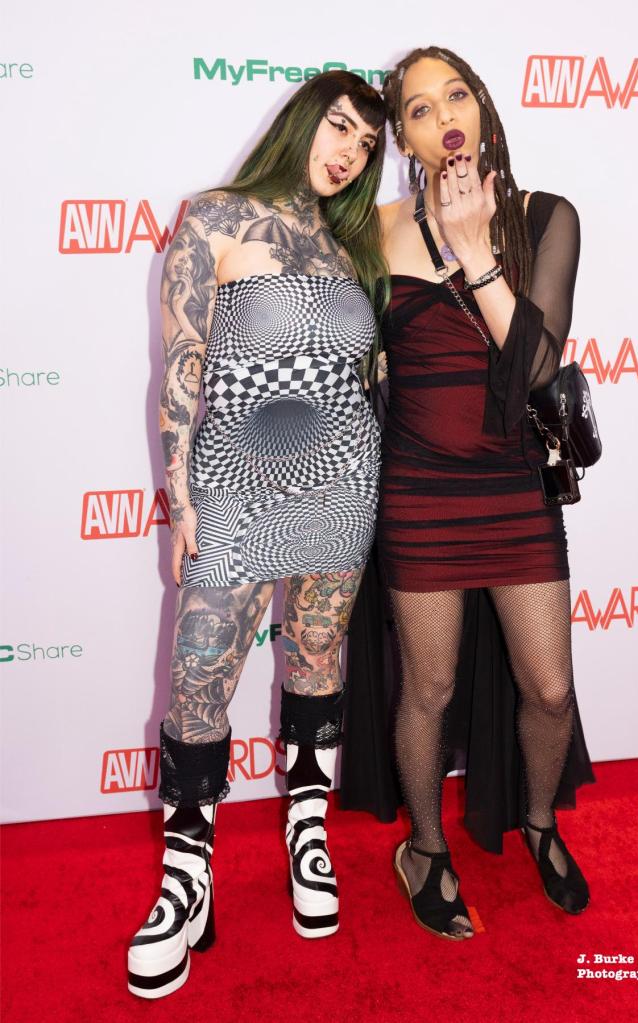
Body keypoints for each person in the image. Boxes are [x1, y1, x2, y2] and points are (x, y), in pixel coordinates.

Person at [127, 70, 387, 998]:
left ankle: (306, 833)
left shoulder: (355, 248)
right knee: (200, 673)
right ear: (302, 120)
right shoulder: (215, 217)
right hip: (236, 479)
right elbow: (182, 362)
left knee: (315, 657)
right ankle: (186, 877)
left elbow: (370, 374)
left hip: (342, 480)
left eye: (366, 144)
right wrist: (180, 493)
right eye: (339, 126)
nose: (348, 151)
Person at [341, 46, 594, 941]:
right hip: (419, 491)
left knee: (550, 689)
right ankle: (424, 846)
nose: (443, 115)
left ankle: (539, 822)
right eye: (418, 108)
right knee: (430, 683)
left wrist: (478, 248)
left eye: (455, 95)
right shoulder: (374, 231)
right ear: (403, 138)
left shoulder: (545, 217)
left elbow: (536, 369)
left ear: (481, 109)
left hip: (515, 487)